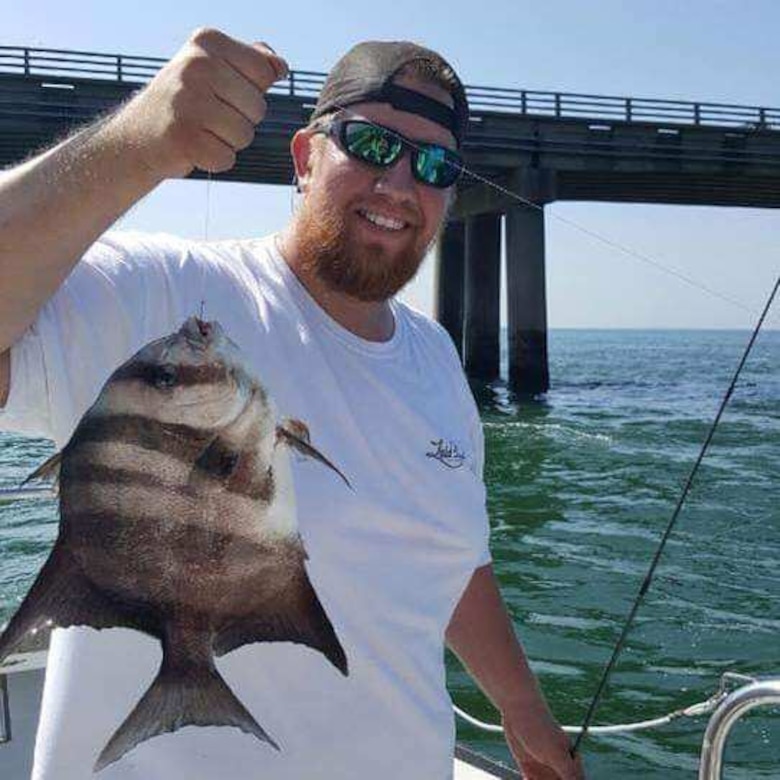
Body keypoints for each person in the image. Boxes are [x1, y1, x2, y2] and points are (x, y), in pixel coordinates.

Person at [0, 29, 584, 780]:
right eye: (372, 145)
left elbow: (451, 555)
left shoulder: (435, 358)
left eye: (435, 164)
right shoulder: (157, 293)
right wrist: (137, 144)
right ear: (306, 158)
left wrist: (521, 704)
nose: (401, 183)